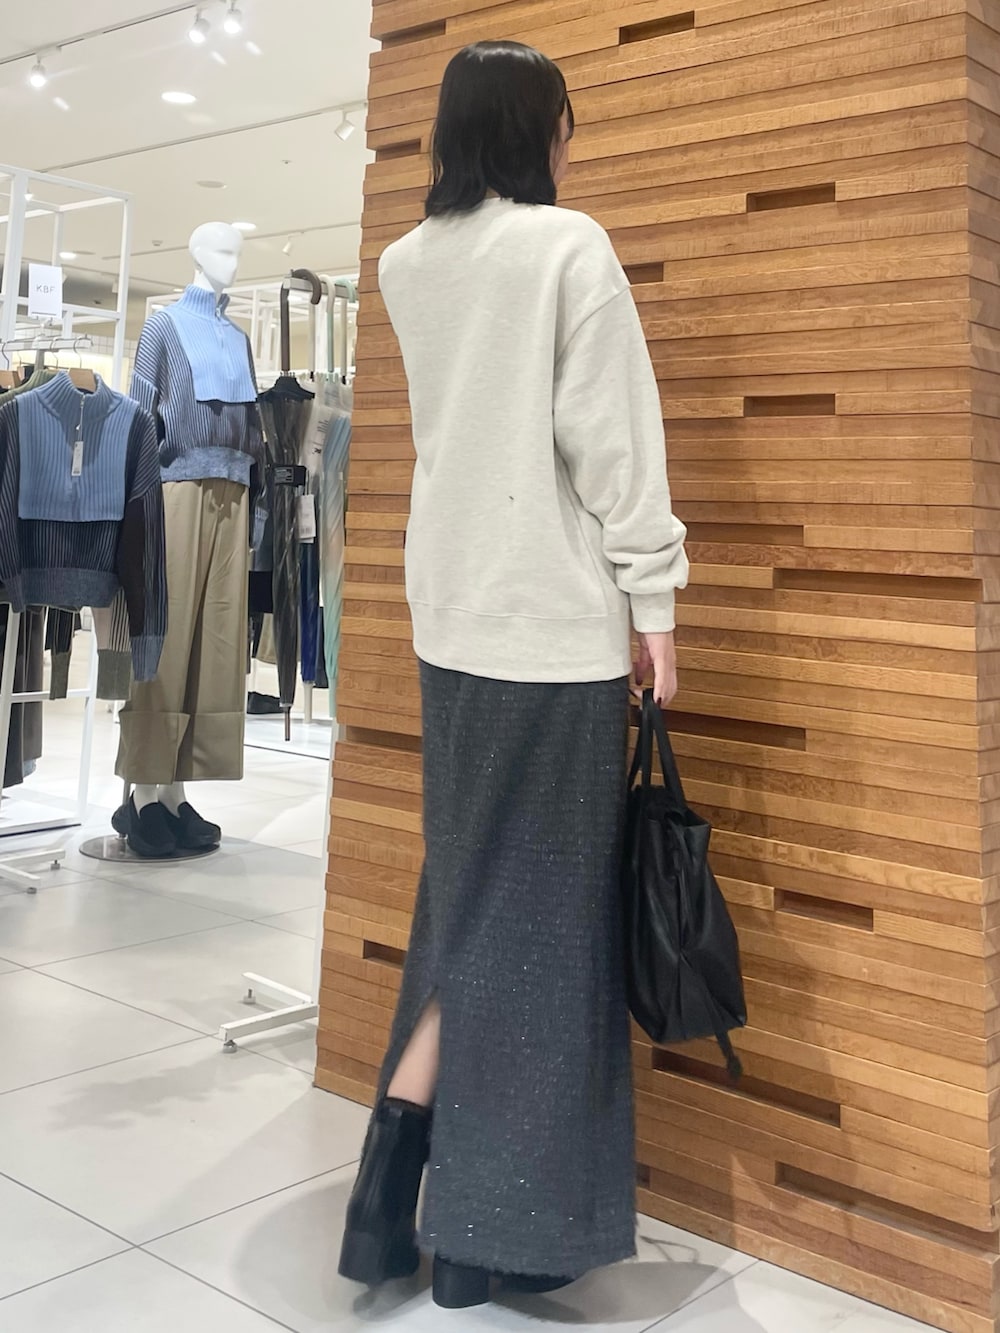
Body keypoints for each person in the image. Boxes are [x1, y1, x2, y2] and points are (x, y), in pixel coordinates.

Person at [338, 39, 689, 1310]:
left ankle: (391, 1197)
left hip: (453, 625)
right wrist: (655, 596)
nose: (569, 147)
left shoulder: (408, 262)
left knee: (475, 907)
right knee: (533, 930)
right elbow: (612, 442)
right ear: (535, 129)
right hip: (546, 629)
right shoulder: (563, 248)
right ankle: (488, 1234)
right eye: (563, 123)